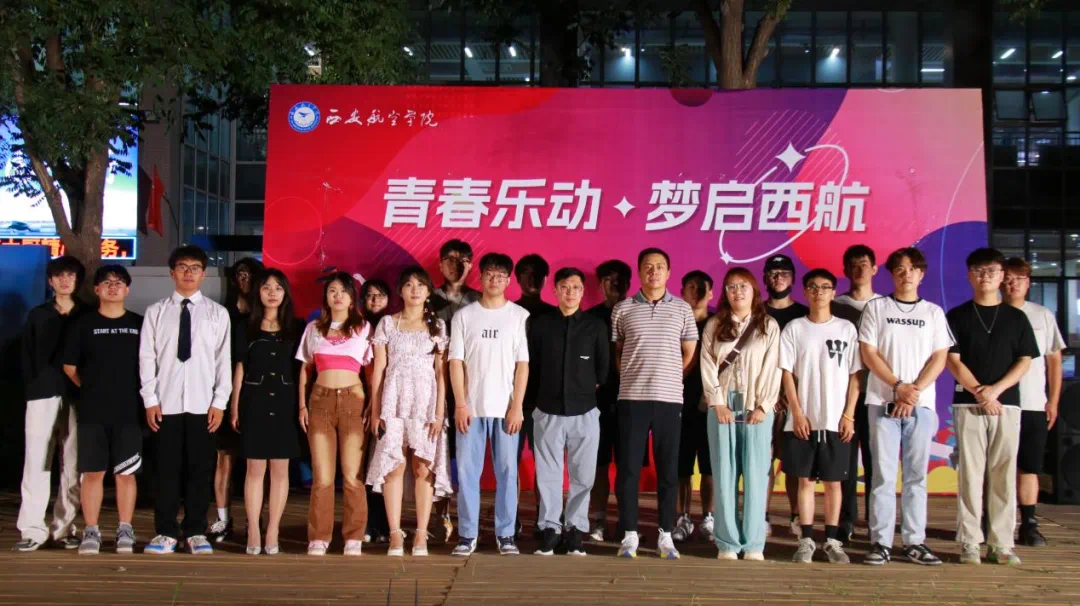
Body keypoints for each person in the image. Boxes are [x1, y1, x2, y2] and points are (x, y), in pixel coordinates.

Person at [856, 247, 952, 566]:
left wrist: (914, 392)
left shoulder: (933, 313)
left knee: (916, 477)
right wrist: (898, 387)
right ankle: (881, 542)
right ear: (891, 273)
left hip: (920, 407)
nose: (906, 273)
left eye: (912, 268)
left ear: (921, 274)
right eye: (899, 268)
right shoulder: (876, 307)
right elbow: (869, 353)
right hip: (881, 402)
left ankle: (914, 542)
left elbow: (939, 357)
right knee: (883, 476)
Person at [946, 248, 1038, 566]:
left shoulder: (1016, 318)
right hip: (968, 404)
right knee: (970, 475)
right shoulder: (957, 315)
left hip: (1007, 405)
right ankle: (970, 542)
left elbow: (1024, 360)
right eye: (979, 271)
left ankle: (1001, 544)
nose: (985, 276)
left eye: (992, 271)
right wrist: (979, 393)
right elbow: (952, 360)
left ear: (1001, 276)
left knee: (1003, 474)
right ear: (969, 275)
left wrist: (996, 391)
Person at [140, 246, 232, 555]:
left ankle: (195, 531)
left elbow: (223, 361)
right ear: (172, 273)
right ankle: (166, 532)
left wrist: (219, 402)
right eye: (182, 267)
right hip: (165, 404)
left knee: (200, 470)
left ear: (204, 274)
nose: (188, 273)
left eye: (195, 268)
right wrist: (150, 399)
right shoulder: (156, 312)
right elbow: (147, 358)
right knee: (166, 470)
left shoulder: (217, 314)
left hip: (203, 405)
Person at [612, 248, 697, 560]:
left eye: (660, 266)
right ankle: (630, 534)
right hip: (631, 399)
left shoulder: (683, 309)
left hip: (669, 399)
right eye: (648, 267)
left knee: (668, 470)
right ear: (639, 271)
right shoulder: (622, 309)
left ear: (669, 272)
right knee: (628, 470)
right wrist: (634, 375)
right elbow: (619, 352)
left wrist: (669, 375)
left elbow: (689, 352)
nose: (654, 272)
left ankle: (665, 534)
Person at [366, 266, 453, 557]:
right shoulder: (387, 324)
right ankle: (394, 535)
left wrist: (439, 413)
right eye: (409, 285)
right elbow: (379, 369)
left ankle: (420, 535)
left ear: (428, 292)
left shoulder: (437, 326)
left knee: (423, 467)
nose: (414, 290)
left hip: (426, 403)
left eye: (420, 285)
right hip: (392, 401)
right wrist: (376, 410)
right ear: (400, 291)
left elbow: (441, 373)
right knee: (394, 466)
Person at [449, 252, 529, 556]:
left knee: (507, 472)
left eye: (500, 275)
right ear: (480, 278)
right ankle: (467, 535)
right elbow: (455, 362)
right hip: (471, 408)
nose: (494, 279)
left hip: (506, 409)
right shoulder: (464, 316)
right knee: (467, 472)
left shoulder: (519, 316)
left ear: (508, 280)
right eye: (489, 274)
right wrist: (460, 404)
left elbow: (522, 365)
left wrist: (517, 406)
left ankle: (505, 534)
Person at [780, 269, 860, 564]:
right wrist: (797, 413)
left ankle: (832, 541)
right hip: (803, 421)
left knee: (833, 483)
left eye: (825, 287)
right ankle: (805, 541)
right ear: (805, 292)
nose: (819, 292)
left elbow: (855, 375)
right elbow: (786, 374)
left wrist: (849, 414)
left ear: (833, 292)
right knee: (804, 482)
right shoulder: (794, 329)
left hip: (836, 420)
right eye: (813, 287)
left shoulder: (846, 329)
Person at [701, 268, 781, 561]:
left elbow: (774, 367)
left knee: (756, 474)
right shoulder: (714, 324)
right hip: (722, 406)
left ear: (754, 290)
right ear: (725, 292)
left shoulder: (768, 325)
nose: (738, 291)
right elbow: (707, 364)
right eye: (731, 286)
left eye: (743, 286)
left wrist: (764, 405)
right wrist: (717, 402)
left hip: (755, 407)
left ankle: (754, 542)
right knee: (724, 473)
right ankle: (727, 542)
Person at [529, 267, 610, 556]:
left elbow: (603, 370)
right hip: (547, 410)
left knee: (583, 475)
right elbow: (532, 366)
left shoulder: (595, 326)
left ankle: (575, 530)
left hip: (585, 411)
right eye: (564, 287)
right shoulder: (540, 325)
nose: (570, 292)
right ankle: (550, 529)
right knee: (548, 475)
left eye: (576, 287)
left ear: (583, 291)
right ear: (555, 290)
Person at [62, 266, 142, 555]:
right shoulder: (83, 324)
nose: (113, 286)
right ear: (96, 289)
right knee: (93, 473)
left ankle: (125, 528)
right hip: (93, 411)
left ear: (127, 289)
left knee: (126, 473)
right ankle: (91, 530)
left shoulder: (139, 323)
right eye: (106, 282)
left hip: (130, 411)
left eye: (119, 282)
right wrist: (92, 388)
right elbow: (69, 367)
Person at [296, 272, 374, 556]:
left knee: (352, 475)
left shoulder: (364, 328)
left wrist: (372, 405)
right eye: (332, 291)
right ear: (326, 297)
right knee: (323, 476)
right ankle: (319, 536)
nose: (337, 295)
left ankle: (354, 535)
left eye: (343, 291)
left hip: (354, 401)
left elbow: (371, 371)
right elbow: (305, 369)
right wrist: (302, 405)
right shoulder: (314, 328)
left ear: (352, 298)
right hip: (320, 401)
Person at [14, 255, 86, 552]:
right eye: (59, 275)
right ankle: (32, 529)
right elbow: (26, 357)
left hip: (78, 395)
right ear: (50, 281)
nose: (65, 280)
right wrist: (33, 388)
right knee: (36, 461)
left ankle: (64, 528)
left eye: (70, 275)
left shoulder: (87, 315)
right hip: (42, 394)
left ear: (78, 280)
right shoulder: (38, 315)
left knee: (74, 464)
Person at [229, 268, 303, 555]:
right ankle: (253, 530)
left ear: (285, 294)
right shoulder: (245, 326)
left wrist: (301, 406)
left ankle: (273, 530)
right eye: (266, 288)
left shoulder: (296, 327)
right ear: (258, 293)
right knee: (255, 468)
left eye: (278, 288)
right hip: (254, 401)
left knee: (281, 470)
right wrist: (235, 405)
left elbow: (303, 370)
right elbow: (240, 367)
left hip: (285, 403)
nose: (272, 293)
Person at [1003, 257, 1065, 547]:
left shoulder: (1042, 315)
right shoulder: (992, 313)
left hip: (1033, 403)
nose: (1012, 284)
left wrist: (1053, 401)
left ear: (1028, 283)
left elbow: (1054, 361)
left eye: (1019, 279)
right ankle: (992, 521)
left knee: (1029, 466)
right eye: (1008, 279)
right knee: (997, 466)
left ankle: (1029, 523)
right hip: (999, 404)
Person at [209, 256, 263, 544]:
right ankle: (222, 519)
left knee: (258, 463)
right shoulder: (221, 314)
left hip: (259, 391)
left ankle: (255, 520)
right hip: (223, 389)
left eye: (250, 274)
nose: (245, 279)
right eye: (240, 274)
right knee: (224, 457)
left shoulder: (267, 316)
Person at [430, 238, 481, 543]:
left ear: (471, 265)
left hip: (470, 387)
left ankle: (469, 520)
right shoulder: (427, 298)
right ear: (440, 264)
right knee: (439, 454)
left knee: (467, 456)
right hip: (434, 386)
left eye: (463, 259)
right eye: (450, 259)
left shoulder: (480, 300)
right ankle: (441, 516)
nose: (456, 264)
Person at [832, 245, 879, 544]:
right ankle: (846, 520)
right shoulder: (834, 306)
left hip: (878, 394)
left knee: (877, 462)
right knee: (845, 462)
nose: (859, 269)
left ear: (874, 269)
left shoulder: (886, 306)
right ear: (845, 271)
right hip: (844, 396)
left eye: (864, 264)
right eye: (853, 265)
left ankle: (877, 521)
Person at [762, 254, 808, 537]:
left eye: (784, 273)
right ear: (765, 277)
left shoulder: (804, 314)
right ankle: (762, 515)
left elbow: (807, 359)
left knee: (794, 462)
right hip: (763, 400)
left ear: (793, 278)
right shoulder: (755, 312)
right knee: (762, 461)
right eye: (773, 272)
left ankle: (796, 516)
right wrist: (770, 392)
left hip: (796, 400)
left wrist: (790, 394)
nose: (778, 277)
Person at [587, 259, 632, 542]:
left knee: (628, 467)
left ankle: (627, 522)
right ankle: (599, 520)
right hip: (596, 404)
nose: (613, 285)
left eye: (619, 280)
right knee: (598, 465)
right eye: (608, 280)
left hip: (632, 401)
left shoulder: (637, 313)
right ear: (600, 284)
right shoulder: (589, 318)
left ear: (629, 284)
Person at [514, 253, 557, 538]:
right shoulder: (508, 311)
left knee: (546, 463)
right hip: (512, 401)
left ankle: (546, 518)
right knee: (510, 463)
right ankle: (511, 517)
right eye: (526, 273)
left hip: (545, 401)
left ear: (545, 279)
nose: (532, 278)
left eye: (537, 274)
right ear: (517, 278)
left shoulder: (554, 314)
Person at [672, 270, 715, 543]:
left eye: (702, 288)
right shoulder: (674, 322)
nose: (696, 292)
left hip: (711, 406)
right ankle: (682, 518)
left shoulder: (719, 323)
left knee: (710, 467)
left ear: (711, 293)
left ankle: (709, 517)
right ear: (682, 292)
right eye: (691, 287)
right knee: (681, 467)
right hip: (678, 403)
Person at [360, 278, 392, 545]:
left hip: (385, 403)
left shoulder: (393, 325)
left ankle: (384, 524)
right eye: (369, 296)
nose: (374, 300)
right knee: (361, 468)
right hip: (357, 399)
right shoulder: (356, 326)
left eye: (380, 296)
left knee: (382, 465)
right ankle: (365, 523)